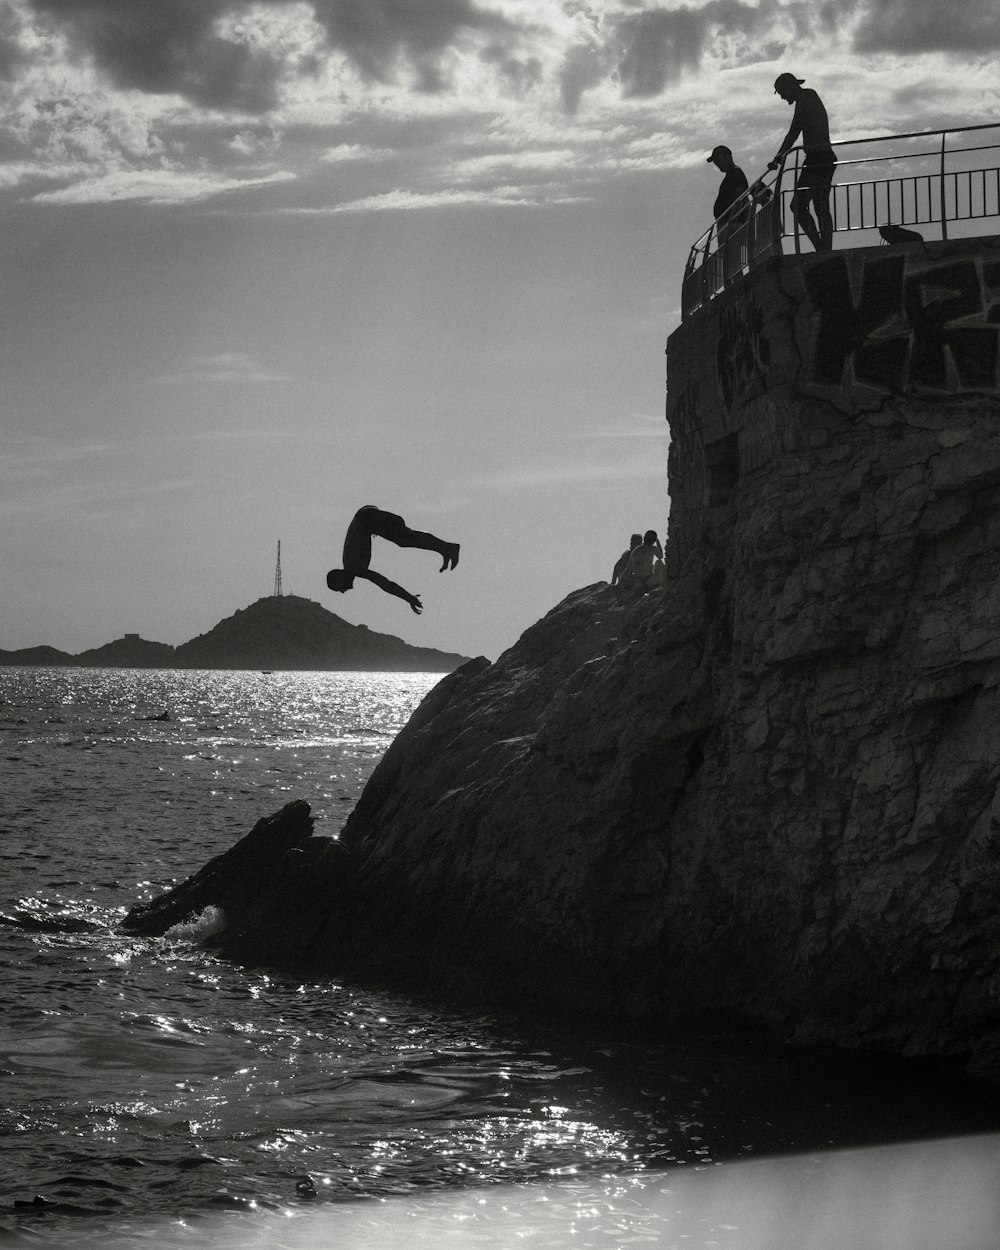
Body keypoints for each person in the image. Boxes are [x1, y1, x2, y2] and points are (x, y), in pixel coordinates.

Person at [326, 505, 460, 614]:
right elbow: (385, 584)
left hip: (368, 518)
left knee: (405, 538)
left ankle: (448, 548)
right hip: (367, 517)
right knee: (404, 539)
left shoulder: (354, 567)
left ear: (340, 578)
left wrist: (409, 598)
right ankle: (445, 549)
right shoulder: (351, 565)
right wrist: (408, 597)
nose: (343, 591)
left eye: (339, 588)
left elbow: (386, 584)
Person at [768, 72, 836, 252]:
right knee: (805, 206)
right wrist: (779, 155)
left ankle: (824, 248)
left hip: (820, 159)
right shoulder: (804, 100)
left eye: (783, 93)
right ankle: (822, 247)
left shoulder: (807, 97)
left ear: (790, 88)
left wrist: (779, 156)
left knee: (816, 206)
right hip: (815, 159)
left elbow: (793, 131)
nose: (783, 97)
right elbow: (794, 130)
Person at [707, 145, 750, 282]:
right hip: (728, 223)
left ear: (727, 156)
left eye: (718, 160)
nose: (717, 164)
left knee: (732, 261)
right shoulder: (731, 175)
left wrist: (733, 219)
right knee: (729, 261)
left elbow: (738, 197)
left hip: (732, 224)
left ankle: (737, 285)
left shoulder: (735, 174)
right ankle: (734, 285)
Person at [622, 530, 664, 596]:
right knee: (659, 562)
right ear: (653, 541)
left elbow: (628, 568)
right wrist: (658, 543)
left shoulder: (636, 550)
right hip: (649, 581)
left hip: (638, 580)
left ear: (644, 538)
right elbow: (661, 556)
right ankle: (659, 586)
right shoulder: (653, 549)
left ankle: (640, 589)